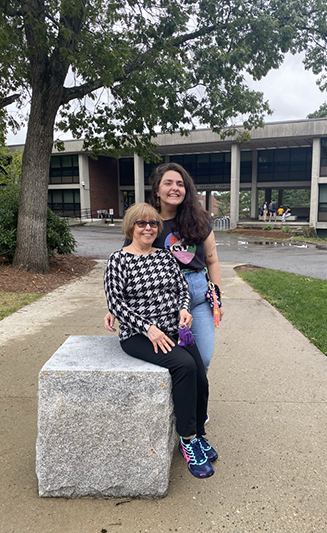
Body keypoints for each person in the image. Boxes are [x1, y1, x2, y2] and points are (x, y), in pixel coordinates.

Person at [104, 203, 217, 479]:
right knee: (184, 367)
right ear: (131, 226)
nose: (148, 228)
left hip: (175, 328)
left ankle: (199, 432)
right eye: (141, 223)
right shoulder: (118, 260)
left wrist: (183, 310)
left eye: (153, 224)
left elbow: (181, 288)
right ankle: (187, 440)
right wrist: (149, 328)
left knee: (201, 375)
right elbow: (116, 303)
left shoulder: (165, 257)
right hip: (139, 335)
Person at [104, 162, 224, 375]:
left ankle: (197, 406)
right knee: (173, 360)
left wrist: (218, 299)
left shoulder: (200, 220)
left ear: (186, 190)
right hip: (161, 299)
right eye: (168, 183)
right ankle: (176, 404)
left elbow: (212, 261)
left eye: (180, 184)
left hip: (197, 296)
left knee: (203, 358)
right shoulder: (146, 222)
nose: (174, 188)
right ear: (157, 190)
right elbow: (125, 262)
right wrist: (113, 307)